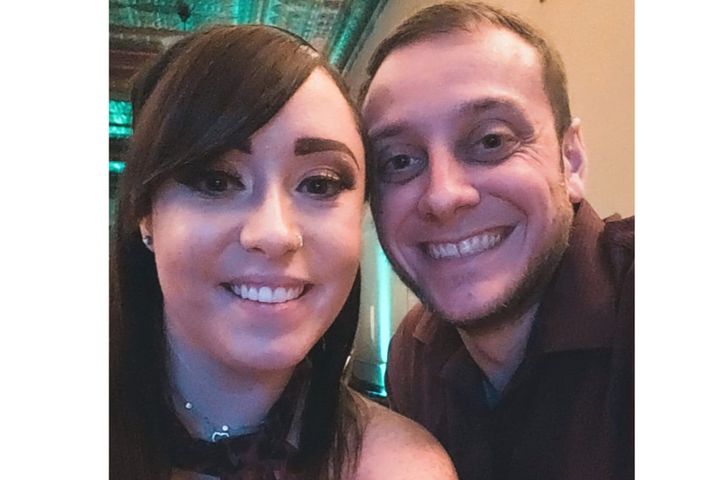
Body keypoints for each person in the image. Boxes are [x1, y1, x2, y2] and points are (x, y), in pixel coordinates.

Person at [110, 24, 457, 480]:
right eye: (217, 180)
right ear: (146, 215)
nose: (275, 233)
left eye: (320, 184)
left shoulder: (400, 469)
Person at [359, 2, 634, 479]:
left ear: (571, 161)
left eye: (491, 140)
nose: (443, 196)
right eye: (399, 161)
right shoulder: (412, 355)